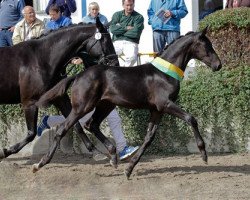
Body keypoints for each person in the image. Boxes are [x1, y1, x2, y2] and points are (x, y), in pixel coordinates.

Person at [38, 2, 139, 161]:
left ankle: (49, 121)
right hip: (92, 86)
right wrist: (74, 60)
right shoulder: (86, 48)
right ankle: (122, 148)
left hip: (100, 85)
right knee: (106, 117)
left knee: (82, 116)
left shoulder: (99, 45)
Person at [110, 0, 144, 67]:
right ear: (123, 5)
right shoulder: (117, 15)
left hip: (131, 42)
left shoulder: (139, 17)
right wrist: (126, 28)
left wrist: (120, 29)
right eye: (127, 5)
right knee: (109, 56)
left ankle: (123, 72)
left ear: (134, 4)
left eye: (131, 5)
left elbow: (136, 33)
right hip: (117, 42)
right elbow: (113, 29)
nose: (129, 7)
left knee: (132, 57)